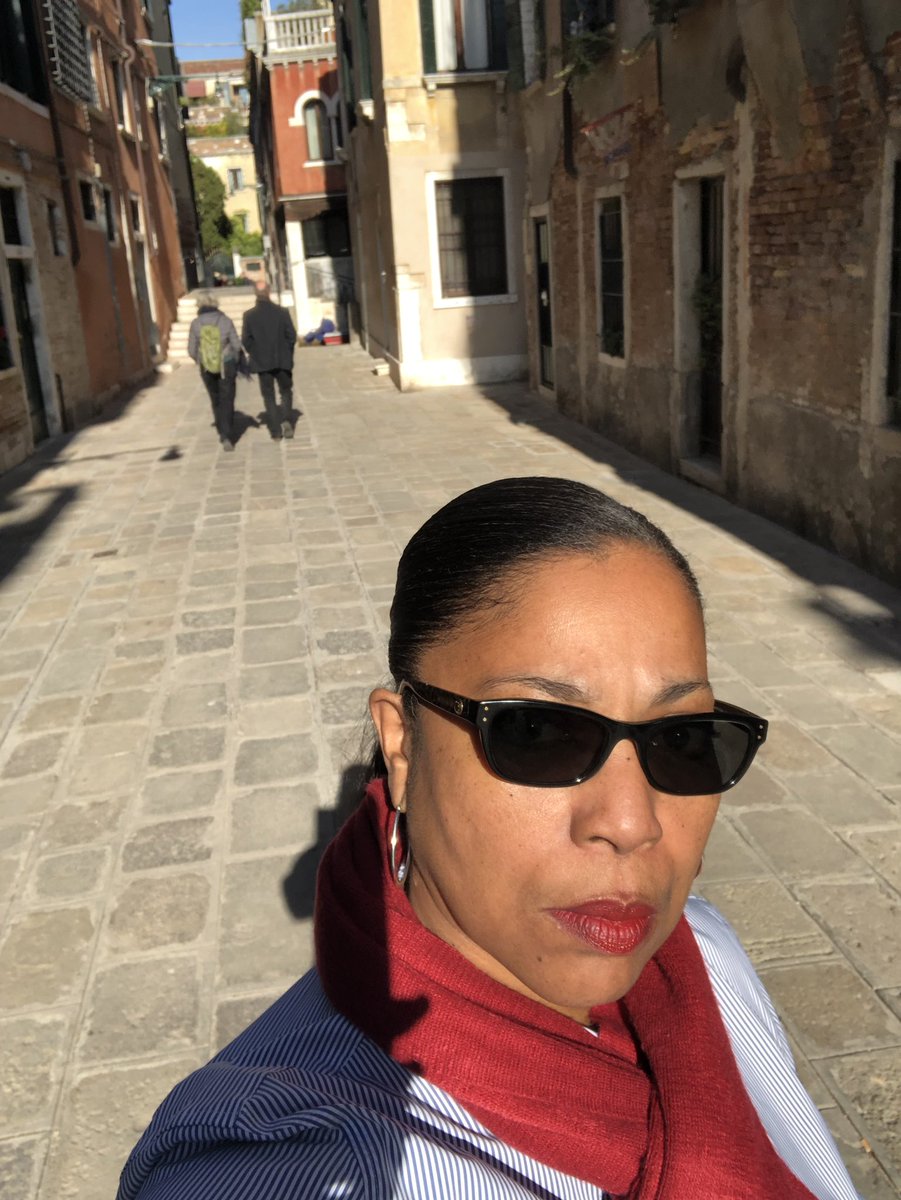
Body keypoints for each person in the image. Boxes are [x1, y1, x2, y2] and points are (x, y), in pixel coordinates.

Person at [117, 477, 862, 1200]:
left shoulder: (707, 956)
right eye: (537, 731)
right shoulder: (289, 1162)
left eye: (683, 738)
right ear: (402, 745)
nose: (631, 823)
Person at [241, 282, 297, 440]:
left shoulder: (249, 315)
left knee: (268, 396)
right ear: (269, 291)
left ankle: (276, 432)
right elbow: (291, 336)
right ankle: (286, 420)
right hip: (282, 360)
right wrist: (287, 352)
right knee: (285, 391)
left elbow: (246, 340)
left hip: (262, 362)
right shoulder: (282, 312)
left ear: (255, 293)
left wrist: (256, 353)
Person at [187, 292, 241, 452]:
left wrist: (201, 360)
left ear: (199, 305)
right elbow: (237, 345)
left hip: (206, 367)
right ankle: (227, 434)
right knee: (227, 398)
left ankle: (221, 430)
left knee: (215, 398)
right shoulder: (225, 320)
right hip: (226, 364)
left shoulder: (196, 323)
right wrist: (234, 359)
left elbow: (191, 350)